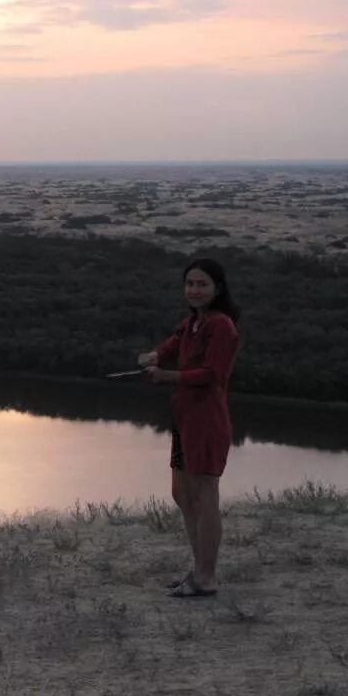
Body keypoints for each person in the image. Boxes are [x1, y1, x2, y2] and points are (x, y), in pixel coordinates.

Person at [137, 257, 241, 599]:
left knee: (204, 494)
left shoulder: (221, 326)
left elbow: (214, 375)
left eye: (202, 284)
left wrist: (168, 376)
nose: (194, 290)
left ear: (218, 288)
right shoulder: (193, 323)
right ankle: (199, 570)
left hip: (207, 420)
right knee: (182, 494)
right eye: (190, 284)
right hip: (184, 419)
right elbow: (170, 346)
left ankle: (207, 577)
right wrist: (153, 356)